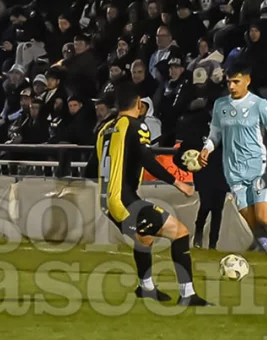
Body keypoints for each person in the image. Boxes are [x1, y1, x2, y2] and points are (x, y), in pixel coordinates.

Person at [85, 82, 212, 307]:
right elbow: (147, 160)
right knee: (180, 233)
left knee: (145, 238)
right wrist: (178, 183)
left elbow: (92, 167)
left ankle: (146, 289)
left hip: (106, 200)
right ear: (139, 105)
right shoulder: (136, 126)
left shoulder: (104, 129)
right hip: (124, 200)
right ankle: (188, 294)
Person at [199, 61, 267, 282]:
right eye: (229, 81)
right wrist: (207, 148)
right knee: (252, 223)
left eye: (236, 81)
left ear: (247, 80)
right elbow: (215, 135)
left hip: (258, 166)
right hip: (233, 172)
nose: (231, 86)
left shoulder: (259, 104)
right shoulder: (220, 105)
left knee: (264, 217)